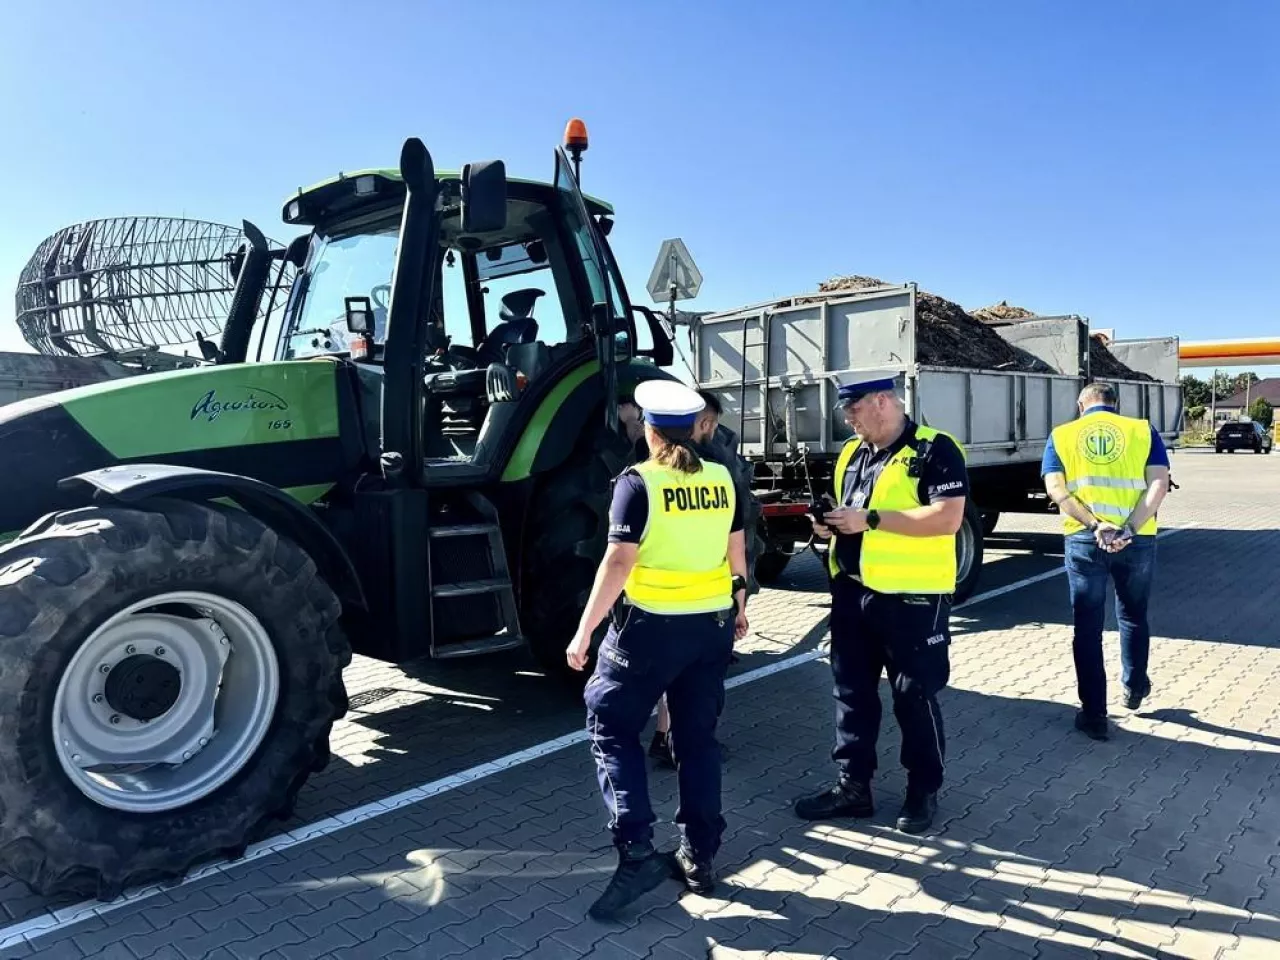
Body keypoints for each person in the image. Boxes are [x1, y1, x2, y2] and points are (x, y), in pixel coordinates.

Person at [568, 379, 750, 920]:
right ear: (696, 428)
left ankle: (638, 852)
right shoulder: (722, 477)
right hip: (711, 627)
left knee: (611, 726)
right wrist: (739, 606)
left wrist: (584, 632)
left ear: (648, 430)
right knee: (697, 740)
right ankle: (700, 856)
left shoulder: (637, 482)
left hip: (650, 631)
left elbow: (618, 564)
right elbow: (736, 552)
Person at [793, 371, 969, 835]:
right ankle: (853, 787)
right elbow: (851, 513)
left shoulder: (935, 449)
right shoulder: (853, 453)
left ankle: (923, 789)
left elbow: (947, 519)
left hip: (912, 599)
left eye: (853, 411)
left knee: (914, 696)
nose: (848, 421)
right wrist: (829, 526)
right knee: (850, 695)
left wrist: (869, 519)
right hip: (853, 592)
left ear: (882, 402)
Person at [1041, 381, 1171, 741]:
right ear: (1116, 405)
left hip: (1086, 539)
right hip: (1137, 539)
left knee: (1087, 626)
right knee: (1132, 614)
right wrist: (1129, 527)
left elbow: (1057, 489)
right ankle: (1133, 687)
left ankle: (1095, 714)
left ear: (1081, 406)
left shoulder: (1062, 435)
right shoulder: (1142, 430)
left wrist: (1097, 525)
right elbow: (1159, 483)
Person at [648, 389, 729, 769]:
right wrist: (740, 601)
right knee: (694, 687)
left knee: (673, 677)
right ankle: (678, 741)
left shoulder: (644, 474)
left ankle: (668, 738)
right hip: (706, 607)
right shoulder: (720, 471)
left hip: (659, 605)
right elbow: (738, 543)